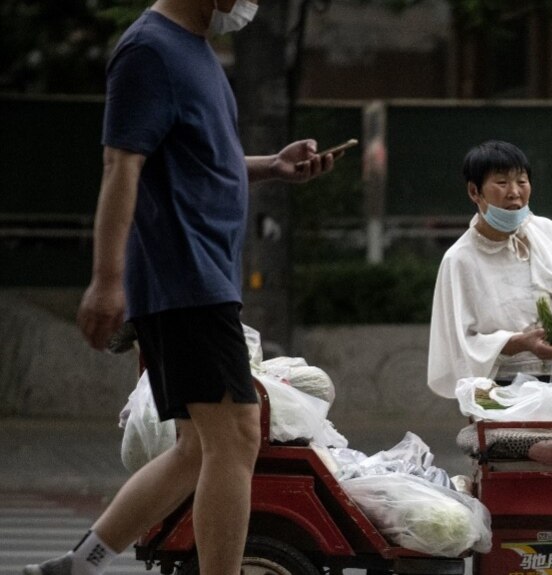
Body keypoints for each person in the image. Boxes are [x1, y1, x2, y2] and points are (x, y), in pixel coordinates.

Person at [25, 1, 338, 574]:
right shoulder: (150, 49)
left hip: (200, 277)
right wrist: (106, 280)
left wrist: (272, 165)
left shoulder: (193, 49)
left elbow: (200, 159)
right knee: (237, 438)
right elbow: (121, 165)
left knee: (199, 448)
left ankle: (77, 566)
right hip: (185, 278)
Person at [428, 140, 552, 574]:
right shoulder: (459, 260)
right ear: (474, 193)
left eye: (521, 180)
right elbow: (461, 343)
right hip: (507, 398)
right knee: (519, 510)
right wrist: (519, 342)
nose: (515, 191)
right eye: (500, 182)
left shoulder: (548, 234)